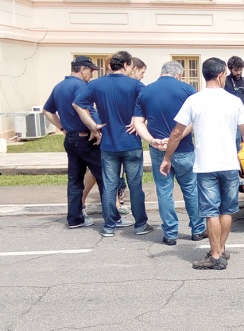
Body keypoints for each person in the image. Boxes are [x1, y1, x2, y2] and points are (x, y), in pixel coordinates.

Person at [160, 57, 244, 270]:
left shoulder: (195, 100)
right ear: (222, 74)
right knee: (227, 210)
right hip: (229, 164)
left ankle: (215, 256)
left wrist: (167, 158)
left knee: (211, 211)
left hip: (206, 166)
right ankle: (220, 250)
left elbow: (177, 133)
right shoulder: (233, 101)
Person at [74, 50, 152, 237]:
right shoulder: (135, 85)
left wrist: (93, 126)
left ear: (111, 65)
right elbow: (149, 105)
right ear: (125, 65)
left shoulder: (96, 84)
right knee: (135, 186)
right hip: (131, 143)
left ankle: (109, 225)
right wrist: (138, 121)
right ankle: (140, 224)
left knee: (110, 186)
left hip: (109, 143)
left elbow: (78, 104)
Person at [134, 61, 207, 246]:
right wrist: (175, 138)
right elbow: (194, 120)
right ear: (178, 75)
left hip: (158, 149)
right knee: (190, 189)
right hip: (183, 149)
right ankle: (198, 229)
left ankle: (170, 233)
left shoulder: (145, 91)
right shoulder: (187, 90)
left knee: (164, 191)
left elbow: (138, 122)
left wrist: (152, 140)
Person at [42, 56, 104, 229]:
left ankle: (75, 219)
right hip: (87, 138)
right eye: (90, 71)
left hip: (70, 139)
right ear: (82, 69)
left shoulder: (59, 86)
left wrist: (62, 128)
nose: (91, 75)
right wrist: (95, 129)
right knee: (104, 178)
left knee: (75, 180)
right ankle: (111, 218)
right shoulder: (81, 86)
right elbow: (86, 109)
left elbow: (47, 111)